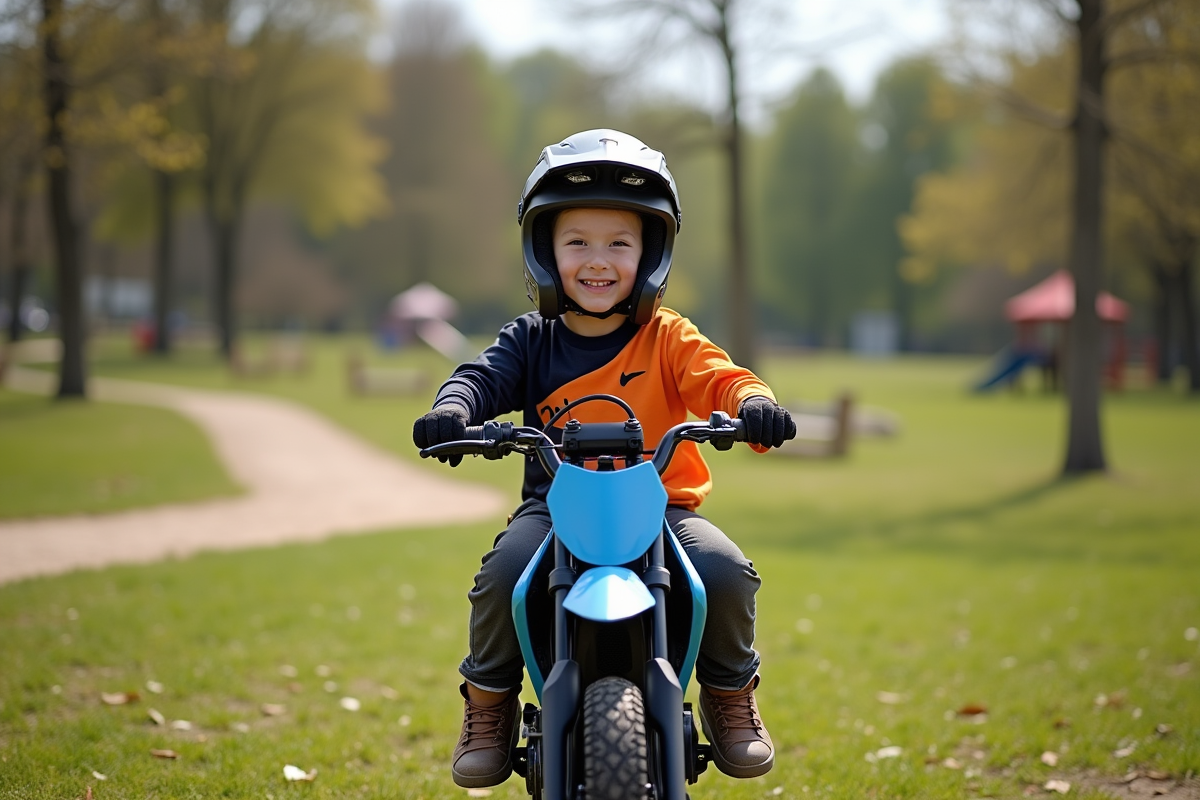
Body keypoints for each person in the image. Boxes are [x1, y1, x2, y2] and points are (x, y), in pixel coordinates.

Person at [412, 129, 796, 789]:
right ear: (544, 252)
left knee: (726, 571)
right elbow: (478, 378)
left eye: (619, 243)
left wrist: (755, 402)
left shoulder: (668, 336)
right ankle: (490, 705)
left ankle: (730, 695)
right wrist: (454, 410)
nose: (598, 260)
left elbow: (722, 379)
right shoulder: (531, 340)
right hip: (555, 512)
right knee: (505, 575)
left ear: (650, 254)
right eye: (577, 242)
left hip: (662, 510)